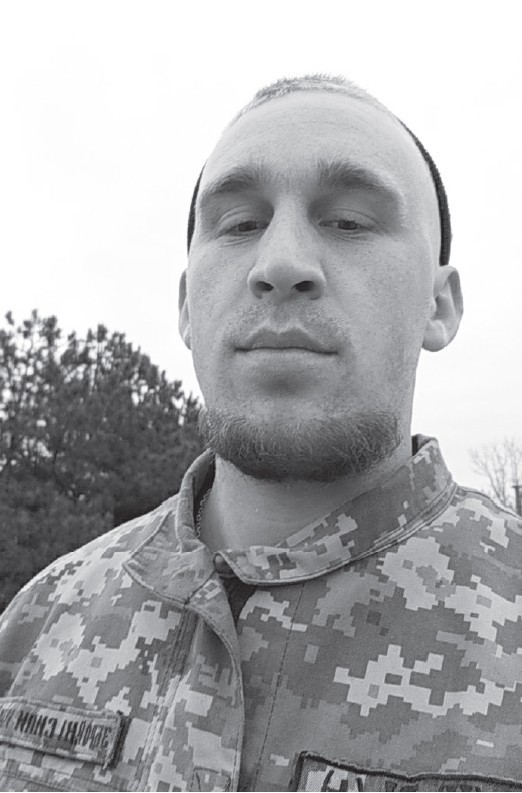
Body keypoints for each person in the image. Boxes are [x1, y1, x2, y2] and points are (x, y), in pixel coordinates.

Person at [0, 74, 520, 793]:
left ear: (440, 304)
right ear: (187, 305)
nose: (280, 264)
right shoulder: (38, 622)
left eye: (349, 222)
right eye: (240, 223)